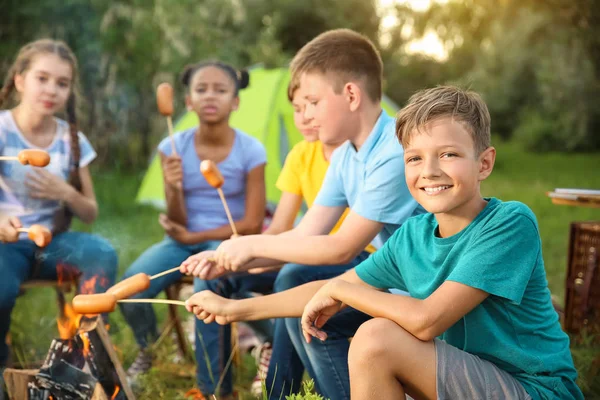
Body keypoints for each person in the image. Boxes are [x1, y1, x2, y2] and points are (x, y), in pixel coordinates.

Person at [192, 85, 584, 400]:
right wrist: (234, 310)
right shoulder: (414, 236)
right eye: (414, 158)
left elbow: (426, 320)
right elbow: (325, 290)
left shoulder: (508, 222)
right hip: (461, 376)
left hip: (531, 389)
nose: (429, 171)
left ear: (484, 163)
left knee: (377, 338)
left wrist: (341, 289)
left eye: (448, 154)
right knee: (372, 334)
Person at [182, 29, 423, 399]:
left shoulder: (393, 152)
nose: (305, 116)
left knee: (305, 293)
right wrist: (230, 259)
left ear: (352, 95)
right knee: (301, 289)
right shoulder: (347, 155)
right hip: (388, 281)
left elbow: (341, 247)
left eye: (312, 102)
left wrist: (251, 243)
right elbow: (304, 234)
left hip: (421, 294)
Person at [119, 61, 267, 394]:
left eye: (220, 89)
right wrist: (172, 187)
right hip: (180, 241)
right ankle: (148, 349)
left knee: (205, 288)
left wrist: (196, 238)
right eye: (201, 90)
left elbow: (253, 222)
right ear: (187, 102)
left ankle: (214, 389)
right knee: (130, 290)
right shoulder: (172, 147)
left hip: (225, 243)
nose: (210, 96)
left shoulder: (251, 150)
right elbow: (178, 220)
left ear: (235, 101)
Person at [0, 39, 118, 374]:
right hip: (6, 244)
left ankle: (83, 362)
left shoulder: (72, 141)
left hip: (54, 243)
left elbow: (90, 212)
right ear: (20, 80)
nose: (52, 89)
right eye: (42, 78)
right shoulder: (2, 130)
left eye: (62, 83)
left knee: (101, 253)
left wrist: (65, 191)